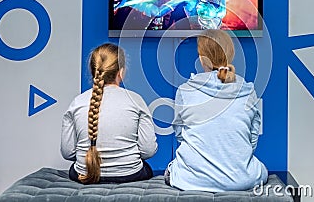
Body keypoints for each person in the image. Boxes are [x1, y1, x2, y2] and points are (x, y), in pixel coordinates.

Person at [165, 29, 268, 192]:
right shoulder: (248, 91)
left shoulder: (185, 91)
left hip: (190, 181)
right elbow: (252, 139)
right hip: (242, 179)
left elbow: (180, 135)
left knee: (171, 169)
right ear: (231, 55)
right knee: (261, 169)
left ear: (201, 58)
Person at [60, 43, 157, 184]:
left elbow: (67, 152)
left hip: (84, 175)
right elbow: (148, 151)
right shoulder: (136, 100)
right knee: (146, 168)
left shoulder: (77, 102)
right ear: (121, 72)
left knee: (73, 169)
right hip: (129, 174)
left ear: (94, 71)